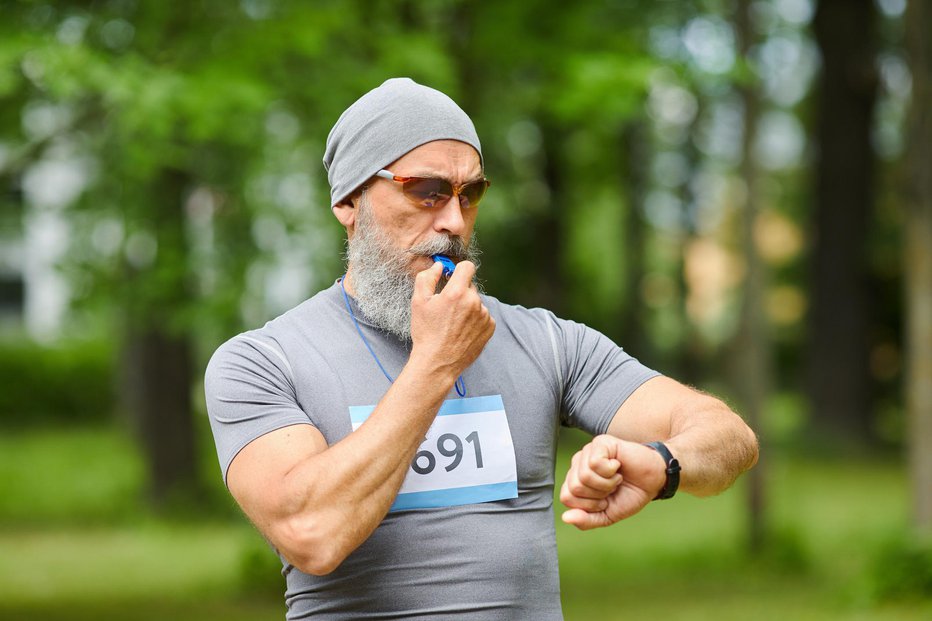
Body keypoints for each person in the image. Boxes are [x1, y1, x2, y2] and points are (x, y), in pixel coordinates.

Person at [204, 77, 758, 620]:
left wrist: (663, 463)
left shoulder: (543, 341)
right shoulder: (261, 362)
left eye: (470, 194)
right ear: (350, 201)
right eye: (427, 191)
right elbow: (310, 534)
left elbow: (729, 438)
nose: (453, 221)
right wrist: (435, 363)